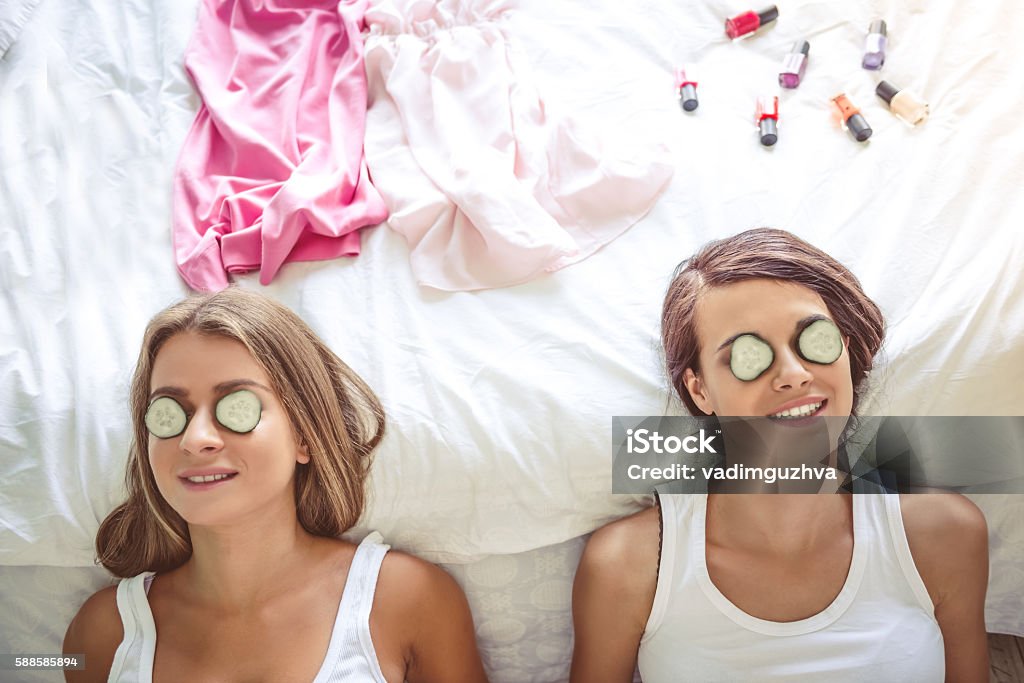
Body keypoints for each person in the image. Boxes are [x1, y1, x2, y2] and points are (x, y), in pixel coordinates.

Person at [570, 228, 989, 682]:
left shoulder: (944, 536)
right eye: (749, 356)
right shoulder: (628, 564)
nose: (793, 374)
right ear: (700, 389)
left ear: (845, 351)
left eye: (815, 341)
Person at [64, 288, 488, 683]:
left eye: (237, 407)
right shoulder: (100, 635)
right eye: (169, 414)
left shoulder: (410, 600)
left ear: (303, 435)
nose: (194, 440)